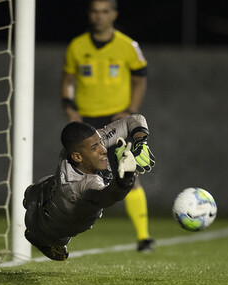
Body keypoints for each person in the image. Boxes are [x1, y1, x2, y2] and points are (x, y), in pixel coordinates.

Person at [61, 0, 154, 252]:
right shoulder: (77, 46)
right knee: (76, 180)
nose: (99, 16)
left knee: (129, 175)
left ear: (113, 14)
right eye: (95, 11)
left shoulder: (127, 46)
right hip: (86, 123)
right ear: (90, 14)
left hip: (114, 122)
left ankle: (144, 238)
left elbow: (139, 80)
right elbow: (68, 80)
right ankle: (63, 234)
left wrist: (130, 111)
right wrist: (70, 108)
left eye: (105, 11)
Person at [23, 115, 155, 261]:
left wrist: (140, 142)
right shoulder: (79, 186)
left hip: (44, 194)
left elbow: (135, 120)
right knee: (60, 235)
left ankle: (30, 201)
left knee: (35, 190)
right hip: (54, 230)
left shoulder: (76, 149)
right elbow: (108, 196)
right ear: (77, 157)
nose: (104, 149)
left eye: (100, 143)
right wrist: (127, 176)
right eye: (95, 147)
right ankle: (44, 240)